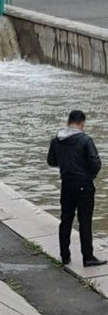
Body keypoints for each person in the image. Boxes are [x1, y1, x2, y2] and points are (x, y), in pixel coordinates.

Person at [48, 110, 104, 267]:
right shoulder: (85, 140)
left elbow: (51, 161)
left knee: (65, 220)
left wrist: (66, 165)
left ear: (68, 122)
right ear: (82, 123)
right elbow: (96, 163)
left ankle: (65, 256)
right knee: (85, 222)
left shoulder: (56, 140)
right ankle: (88, 257)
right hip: (84, 185)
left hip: (66, 184)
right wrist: (89, 176)